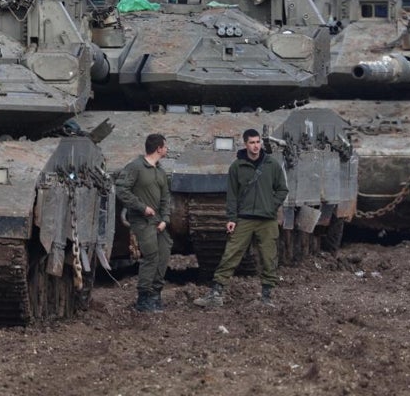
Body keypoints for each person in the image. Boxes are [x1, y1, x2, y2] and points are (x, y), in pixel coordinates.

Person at [194, 128, 288, 309]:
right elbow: (232, 195)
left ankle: (267, 296)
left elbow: (282, 189)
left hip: (266, 220)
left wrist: (271, 205)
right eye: (252, 143)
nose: (256, 146)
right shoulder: (237, 167)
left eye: (258, 142)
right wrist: (231, 218)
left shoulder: (272, 165)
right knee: (231, 254)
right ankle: (216, 293)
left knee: (269, 258)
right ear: (245, 144)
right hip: (244, 219)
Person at [115, 133, 172, 313]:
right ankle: (143, 297)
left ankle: (155, 293)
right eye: (165, 146)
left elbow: (165, 199)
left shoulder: (160, 172)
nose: (167, 149)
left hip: (158, 222)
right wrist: (141, 207)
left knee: (164, 252)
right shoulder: (136, 167)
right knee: (151, 255)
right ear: (158, 148)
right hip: (141, 220)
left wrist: (165, 219)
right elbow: (121, 189)